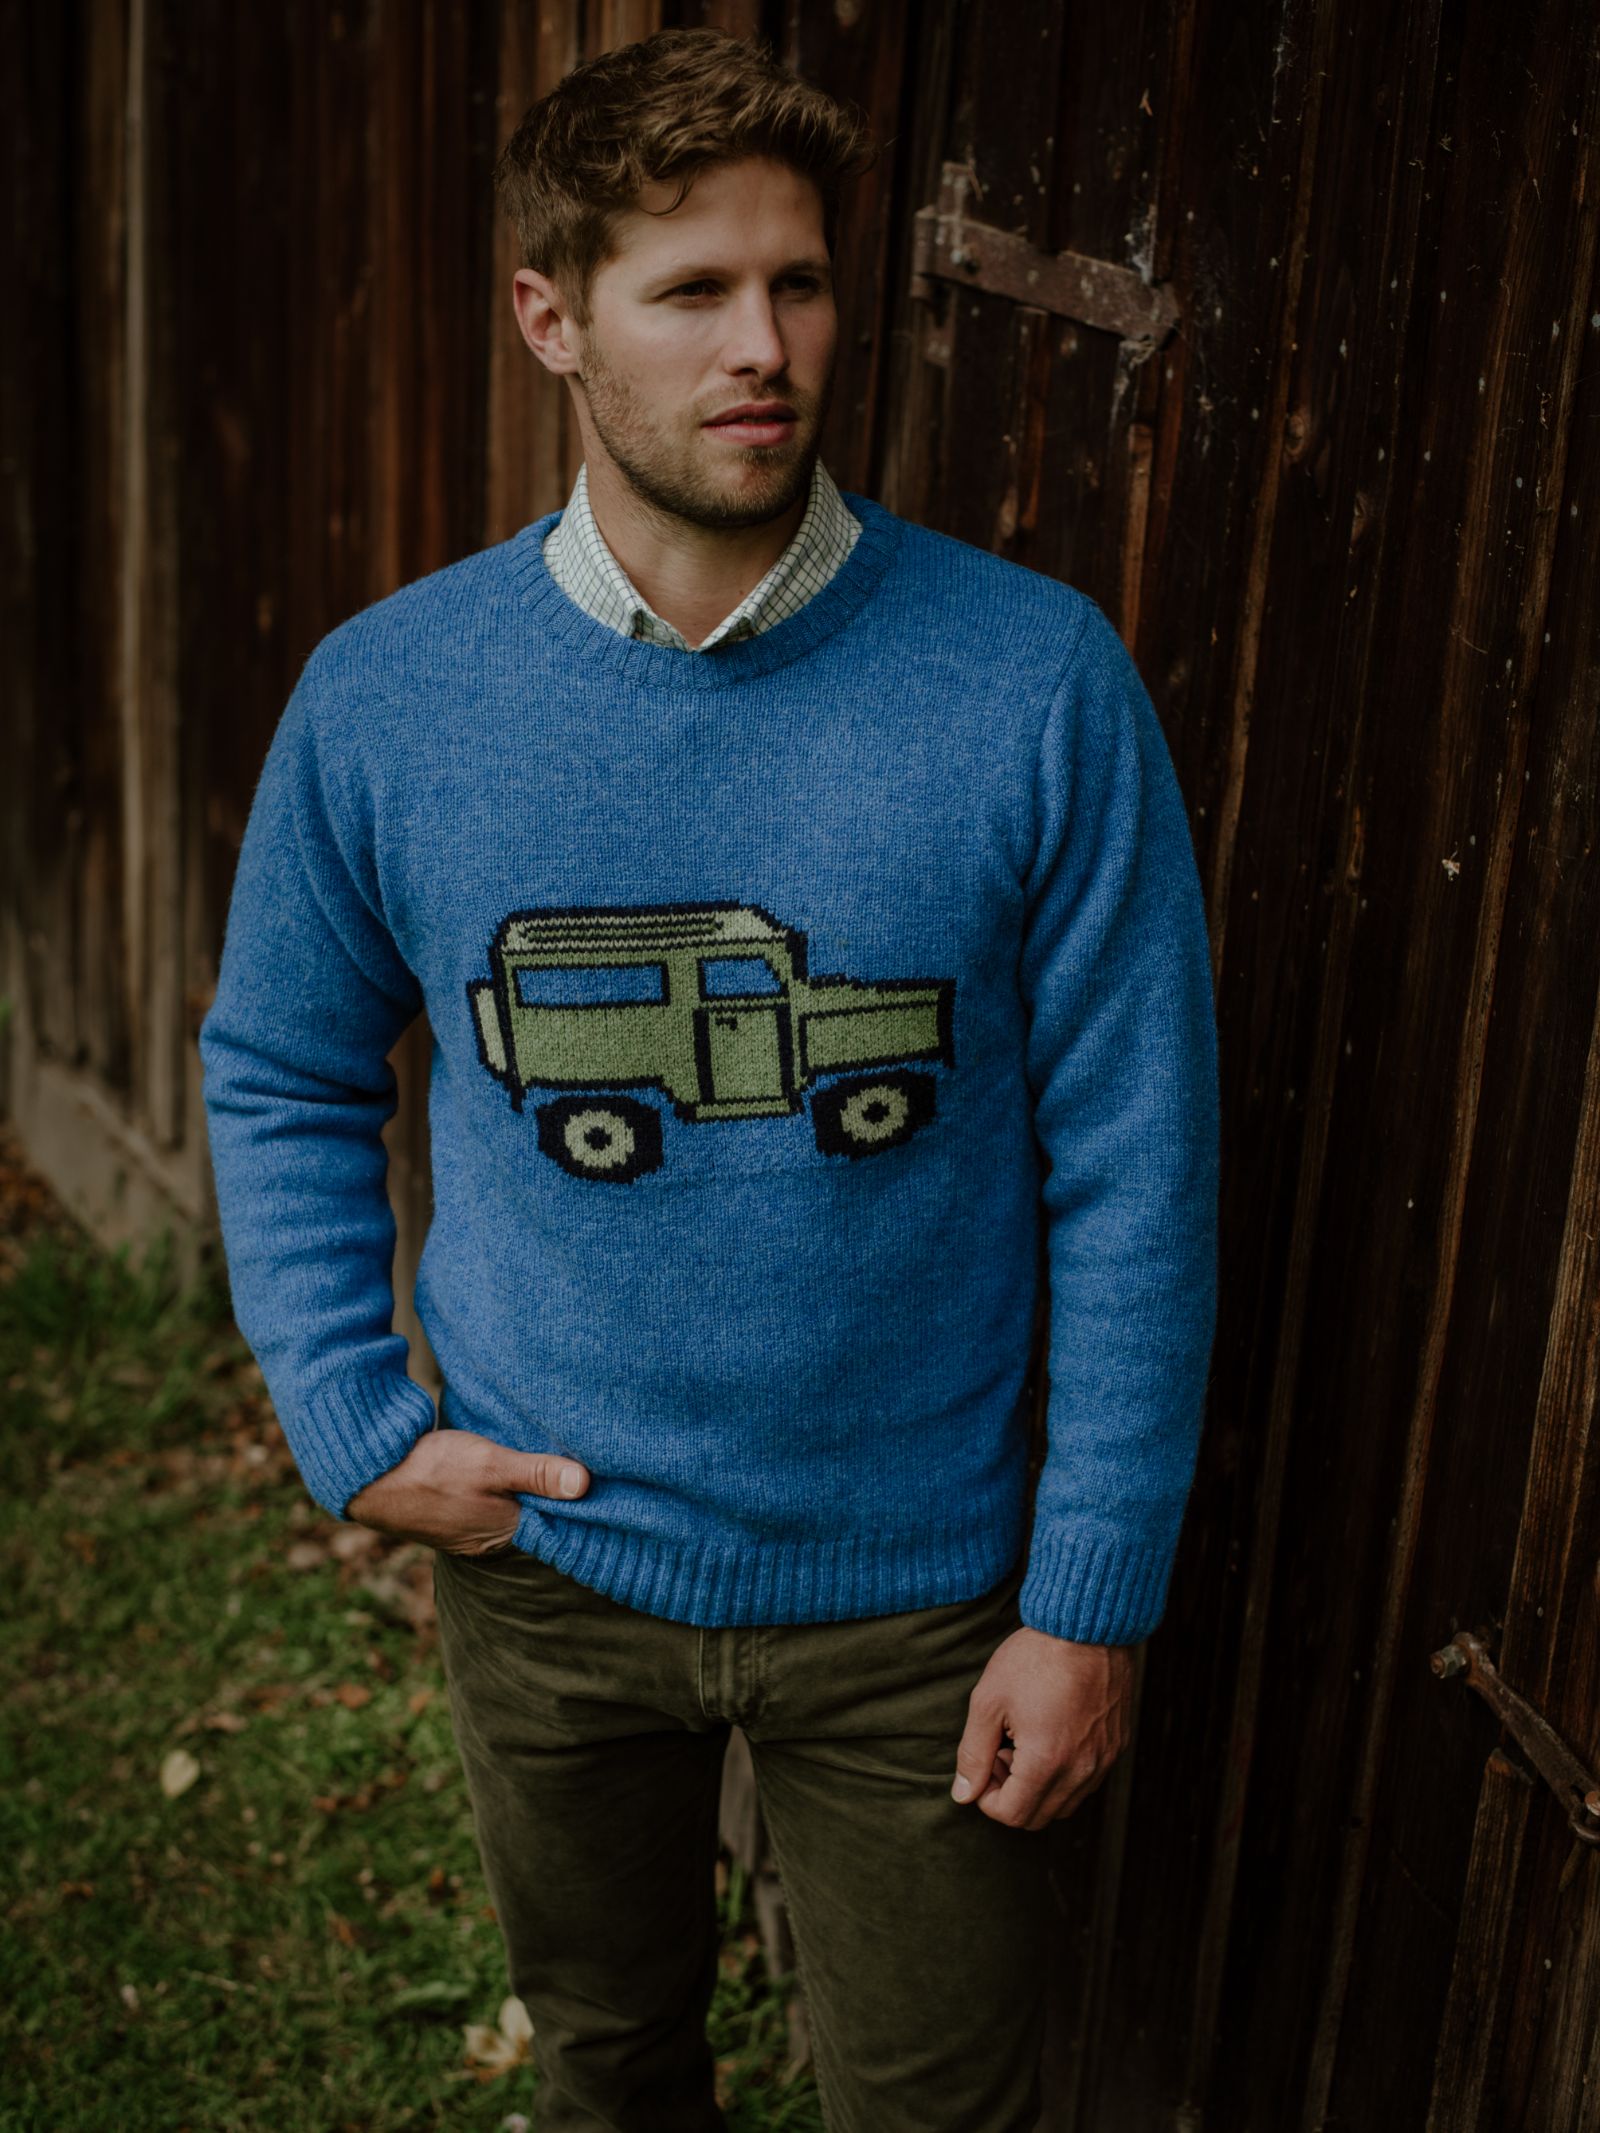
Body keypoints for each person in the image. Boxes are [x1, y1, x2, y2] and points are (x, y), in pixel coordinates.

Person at [198, 25, 1219, 2133]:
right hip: (547, 1567)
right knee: (611, 2066)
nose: (763, 346)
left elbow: (1136, 1157)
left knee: (943, 2110)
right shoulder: (391, 695)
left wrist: (1087, 1594)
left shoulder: (1032, 680)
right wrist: (349, 1411)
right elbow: (283, 1064)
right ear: (550, 317)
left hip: (922, 1599)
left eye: (800, 281)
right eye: (690, 291)